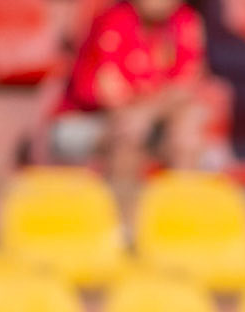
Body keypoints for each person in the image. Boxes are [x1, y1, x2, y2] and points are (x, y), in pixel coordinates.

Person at [51, 0, 209, 182]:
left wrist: (150, 107)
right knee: (131, 127)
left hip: (152, 117)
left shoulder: (185, 20)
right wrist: (157, 101)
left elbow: (186, 86)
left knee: (189, 122)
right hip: (89, 119)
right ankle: (122, 200)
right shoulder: (114, 20)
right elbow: (110, 93)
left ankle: (182, 201)